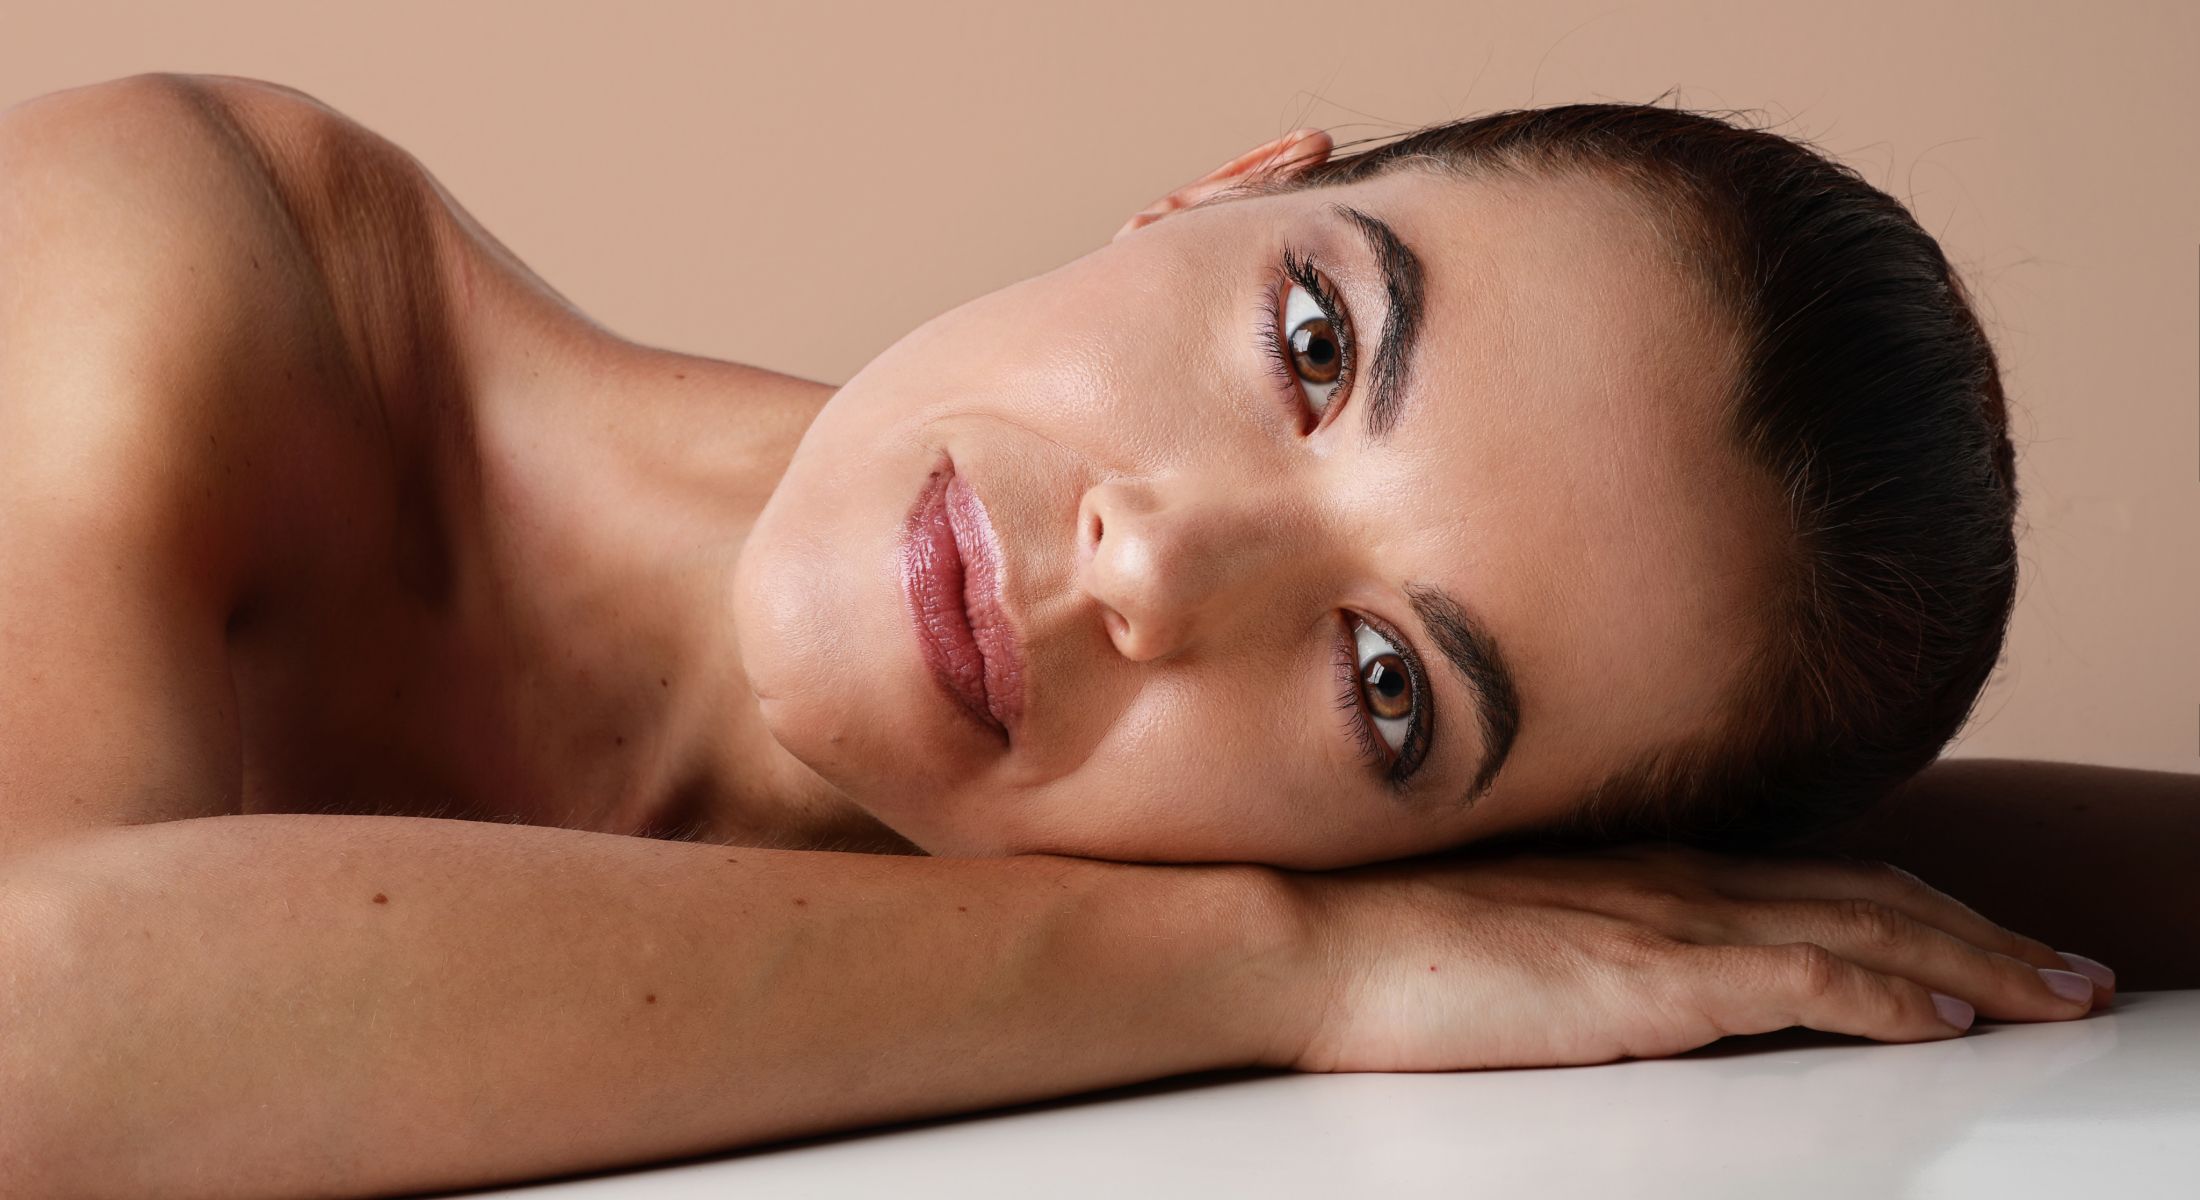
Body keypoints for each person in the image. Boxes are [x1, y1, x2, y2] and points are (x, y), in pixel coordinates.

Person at [0, 73, 2182, 1198]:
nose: (1154, 567)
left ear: (1446, 862)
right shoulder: (190, 249)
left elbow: (1776, 916)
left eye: (1387, 686)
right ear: (1216, 188)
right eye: (1314, 340)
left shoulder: (1058, 842)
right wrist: (1278, 966)